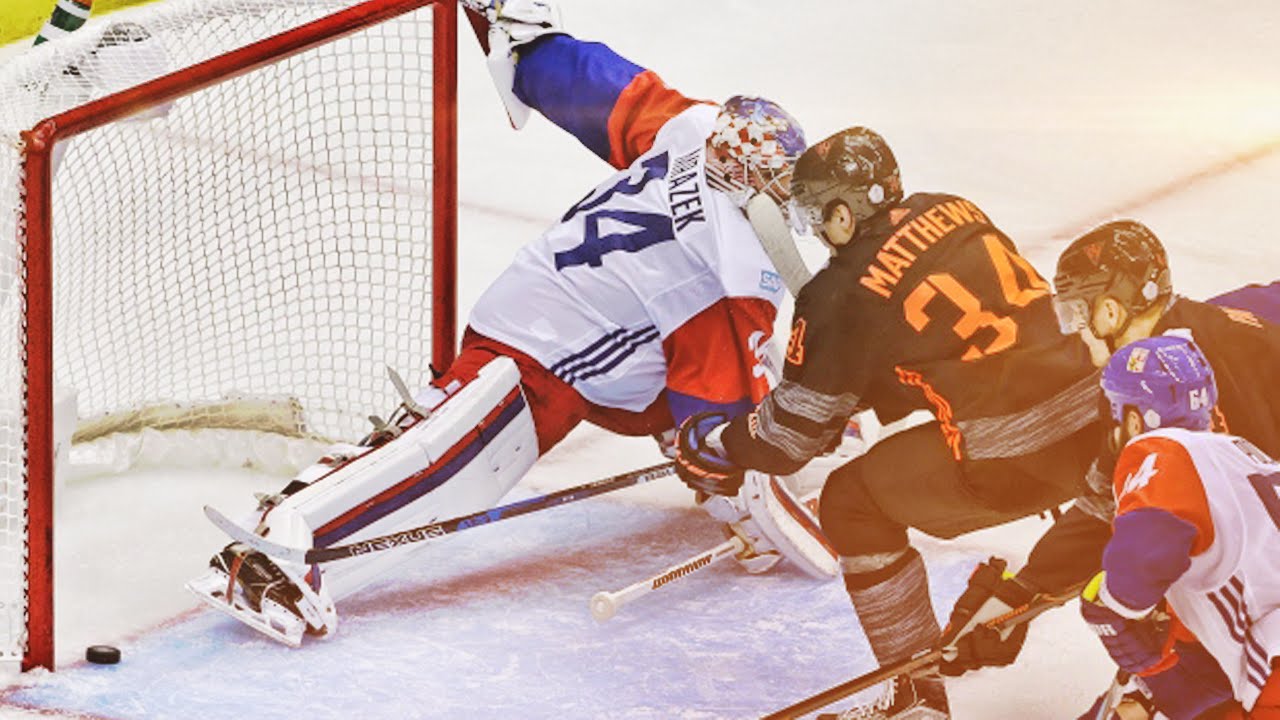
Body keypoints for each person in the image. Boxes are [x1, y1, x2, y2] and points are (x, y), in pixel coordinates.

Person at [185, 0, 831, 647]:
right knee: (438, 469)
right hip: (540, 356)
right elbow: (714, 417)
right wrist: (736, 479)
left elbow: (584, 81)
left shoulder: (693, 129)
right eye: (776, 185)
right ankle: (271, 554)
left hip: (570, 316)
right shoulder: (723, 279)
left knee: (711, 381)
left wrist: (524, 42)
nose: (785, 199)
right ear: (746, 180)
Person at [673, 125, 1104, 718]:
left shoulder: (839, 294)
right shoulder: (955, 209)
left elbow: (790, 439)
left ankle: (915, 700)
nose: (816, 230)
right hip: (1100, 420)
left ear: (845, 215)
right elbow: (936, 342)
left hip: (1012, 454)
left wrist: (721, 442)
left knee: (852, 502)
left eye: (818, 213)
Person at [942, 221, 1280, 682]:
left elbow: (1141, 514)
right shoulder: (1156, 364)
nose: (1074, 331)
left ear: (1110, 311)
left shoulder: (1165, 383)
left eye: (1076, 313)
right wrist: (1024, 589)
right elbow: (1114, 501)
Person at [1080, 334, 1280, 719]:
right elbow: (1203, 667)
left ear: (1135, 418)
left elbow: (1148, 544)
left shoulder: (1164, 449)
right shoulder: (1242, 459)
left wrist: (1115, 604)